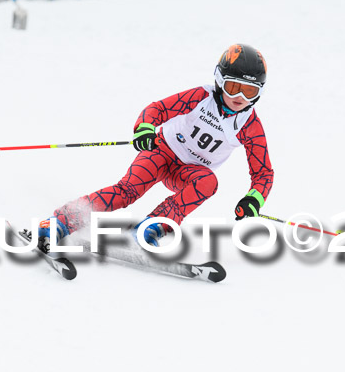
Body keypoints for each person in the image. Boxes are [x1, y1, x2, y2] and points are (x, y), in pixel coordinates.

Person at [37, 44, 274, 252]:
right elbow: (157, 109)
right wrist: (145, 128)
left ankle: (148, 230)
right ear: (220, 81)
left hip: (188, 172)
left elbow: (263, 173)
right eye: (233, 87)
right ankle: (61, 221)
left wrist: (254, 199)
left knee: (209, 182)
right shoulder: (201, 97)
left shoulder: (250, 126)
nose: (240, 96)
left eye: (250, 91)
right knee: (126, 192)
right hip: (161, 151)